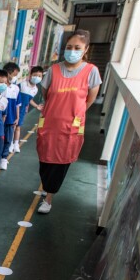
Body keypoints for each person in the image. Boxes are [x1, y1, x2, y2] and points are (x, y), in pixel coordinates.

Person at [35, 30, 101, 214]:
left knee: (61, 163)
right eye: (69, 47)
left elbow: (89, 99)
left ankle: (49, 198)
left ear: (85, 50)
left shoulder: (91, 71)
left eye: (77, 48)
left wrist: (74, 114)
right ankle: (47, 187)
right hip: (49, 123)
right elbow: (47, 94)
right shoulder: (53, 70)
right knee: (45, 160)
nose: (72, 51)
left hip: (71, 126)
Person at [13, 66, 45, 154]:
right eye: (35, 75)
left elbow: (29, 99)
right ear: (30, 75)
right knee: (12, 126)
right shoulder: (22, 84)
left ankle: (16, 144)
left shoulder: (36, 89)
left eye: (39, 76)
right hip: (15, 108)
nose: (37, 77)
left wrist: (36, 106)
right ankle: (10, 144)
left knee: (18, 127)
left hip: (22, 110)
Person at [1, 62, 21, 170]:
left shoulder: (16, 88)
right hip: (0, 120)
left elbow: (17, 105)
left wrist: (17, 118)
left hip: (11, 119)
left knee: (8, 140)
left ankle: (4, 158)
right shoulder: (1, 87)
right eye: (14, 74)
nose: (14, 77)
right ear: (8, 73)